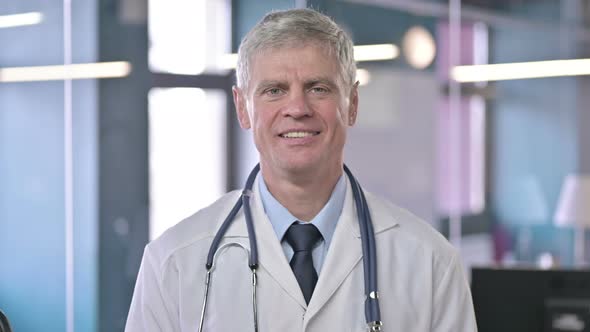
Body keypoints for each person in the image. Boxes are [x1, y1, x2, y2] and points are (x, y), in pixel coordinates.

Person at [125, 8, 477, 332]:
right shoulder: (172, 262)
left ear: (352, 104)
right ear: (242, 108)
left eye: (318, 88)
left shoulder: (431, 263)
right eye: (274, 90)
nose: (297, 107)